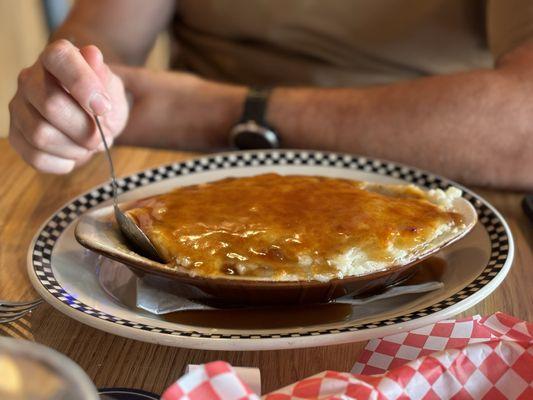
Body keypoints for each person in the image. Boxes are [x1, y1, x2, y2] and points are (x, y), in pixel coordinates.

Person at [8, 0, 533, 189]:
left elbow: (522, 125)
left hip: (435, 180)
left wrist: (214, 113)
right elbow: (105, 45)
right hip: (180, 170)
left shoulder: (184, 112)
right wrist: (72, 97)